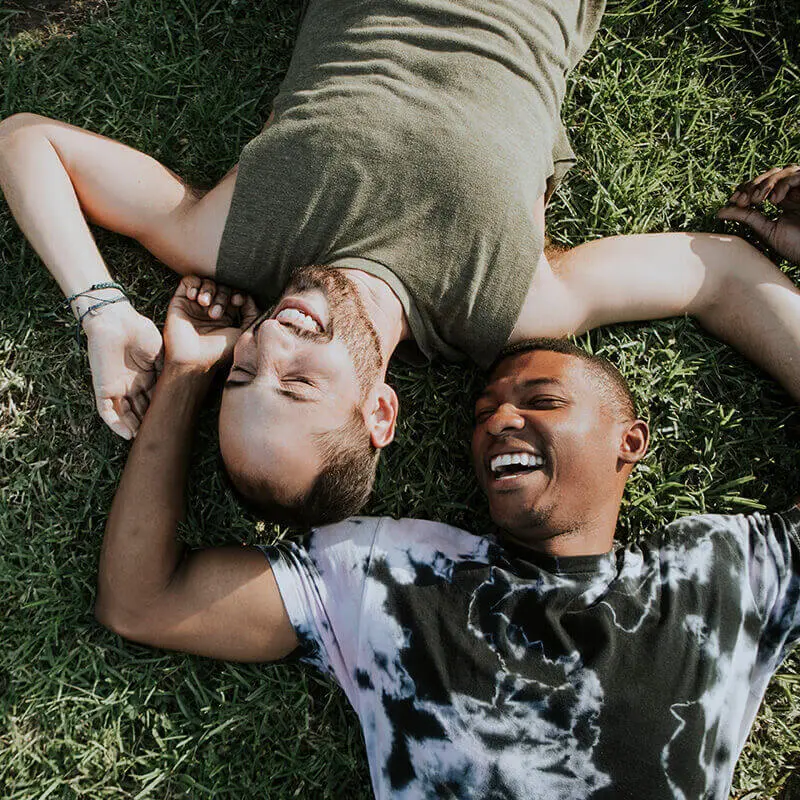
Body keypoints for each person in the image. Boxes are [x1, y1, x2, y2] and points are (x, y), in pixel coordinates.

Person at [2, 0, 800, 526]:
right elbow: (722, 277)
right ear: (381, 412)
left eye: (241, 376)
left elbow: (25, 139)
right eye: (300, 382)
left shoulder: (232, 239)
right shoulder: (511, 305)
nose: (270, 342)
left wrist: (102, 311)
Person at [93, 278, 799, 799]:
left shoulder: (718, 580)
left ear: (630, 442)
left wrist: (772, 277)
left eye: (542, 402)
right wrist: (186, 375)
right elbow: (143, 600)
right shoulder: (388, 575)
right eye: (485, 411)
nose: (498, 422)